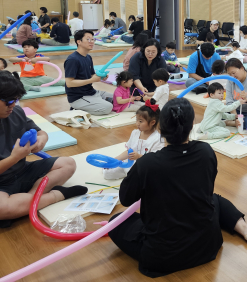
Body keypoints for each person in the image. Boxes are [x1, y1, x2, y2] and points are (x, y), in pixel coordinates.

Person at [108, 98, 247, 277]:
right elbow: (206, 186)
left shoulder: (147, 164)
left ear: (160, 128)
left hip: (162, 256)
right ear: (191, 126)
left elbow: (125, 198)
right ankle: (244, 228)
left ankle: (245, 229)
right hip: (207, 245)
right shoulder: (205, 151)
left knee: (116, 221)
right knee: (214, 198)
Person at [0, 71, 86, 228]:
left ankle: (27, 202)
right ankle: (56, 195)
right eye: (9, 101)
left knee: (68, 164)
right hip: (2, 182)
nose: (13, 105)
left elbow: (40, 132)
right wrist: (14, 158)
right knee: (2, 208)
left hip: (22, 171)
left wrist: (41, 140)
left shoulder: (15, 112)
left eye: (16, 99)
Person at [104, 100, 163, 180]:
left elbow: (154, 160)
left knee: (137, 178)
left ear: (152, 122)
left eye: (141, 121)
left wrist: (138, 156)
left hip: (146, 167)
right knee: (108, 173)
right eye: (137, 120)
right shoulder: (135, 133)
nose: (137, 123)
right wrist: (115, 160)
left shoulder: (157, 139)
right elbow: (129, 152)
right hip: (131, 164)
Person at [64, 30, 113, 115]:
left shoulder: (88, 57)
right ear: (79, 42)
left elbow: (92, 75)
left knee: (117, 98)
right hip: (78, 97)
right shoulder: (73, 60)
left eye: (93, 39)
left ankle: (95, 102)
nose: (92, 42)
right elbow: (69, 83)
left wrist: (101, 77)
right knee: (107, 107)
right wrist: (91, 80)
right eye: (88, 39)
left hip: (91, 92)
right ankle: (76, 109)